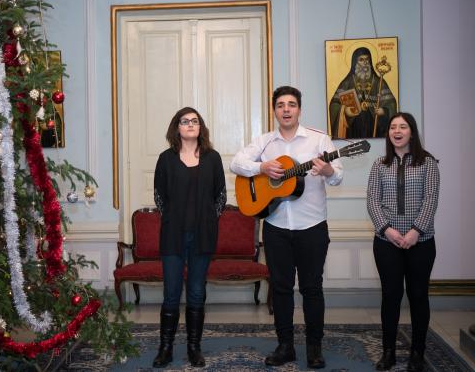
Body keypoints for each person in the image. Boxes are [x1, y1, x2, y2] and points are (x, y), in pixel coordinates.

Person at [230, 86, 343, 369]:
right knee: (280, 289)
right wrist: (262, 168)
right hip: (276, 227)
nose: (286, 109)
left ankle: (314, 348)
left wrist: (328, 170)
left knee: (311, 288)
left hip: (312, 226)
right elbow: (236, 162)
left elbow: (337, 176)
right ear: (275, 110)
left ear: (299, 109)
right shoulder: (266, 142)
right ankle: (285, 346)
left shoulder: (319, 140)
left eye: (291, 104)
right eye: (280, 105)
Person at [152, 106, 226, 368]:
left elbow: (221, 196)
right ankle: (166, 348)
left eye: (195, 121)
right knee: (171, 294)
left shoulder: (213, 158)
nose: (190, 125)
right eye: (185, 121)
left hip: (203, 236)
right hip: (172, 236)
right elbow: (159, 196)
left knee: (196, 293)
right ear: (177, 127)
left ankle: (195, 349)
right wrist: (172, 219)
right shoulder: (166, 159)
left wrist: (208, 220)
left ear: (200, 127)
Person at [367, 112, 440, 372]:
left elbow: (430, 199)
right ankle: (388, 352)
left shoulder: (428, 163)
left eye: (403, 126)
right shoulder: (379, 164)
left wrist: (414, 232)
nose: (397, 131)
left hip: (421, 241)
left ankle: (417, 353)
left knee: (419, 296)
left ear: (412, 132)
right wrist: (388, 230)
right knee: (390, 296)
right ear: (388, 133)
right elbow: (373, 201)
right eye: (393, 127)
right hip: (386, 242)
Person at [329, 47, 397, 139]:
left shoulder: (378, 82)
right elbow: (334, 104)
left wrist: (384, 111)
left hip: (374, 127)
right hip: (353, 129)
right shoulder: (347, 82)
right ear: (355, 63)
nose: (365, 63)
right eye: (361, 60)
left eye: (367, 59)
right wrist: (345, 110)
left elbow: (391, 104)